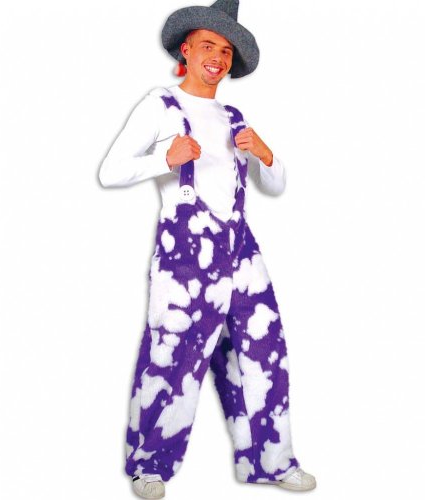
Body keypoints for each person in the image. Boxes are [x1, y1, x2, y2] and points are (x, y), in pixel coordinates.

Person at [98, 1, 316, 498]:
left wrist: (265, 154)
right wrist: (164, 157)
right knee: (172, 354)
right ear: (186, 50)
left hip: (241, 248)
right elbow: (110, 171)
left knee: (263, 351)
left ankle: (270, 460)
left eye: (225, 51)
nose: (217, 57)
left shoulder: (233, 116)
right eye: (208, 46)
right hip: (185, 251)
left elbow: (275, 185)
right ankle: (149, 465)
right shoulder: (160, 105)